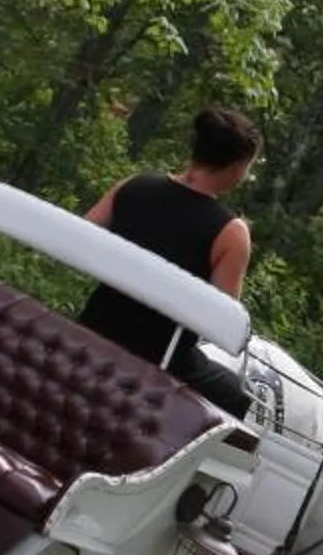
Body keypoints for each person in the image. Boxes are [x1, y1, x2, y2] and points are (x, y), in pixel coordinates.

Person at [77, 105, 260, 413]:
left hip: (95, 324)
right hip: (159, 355)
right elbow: (220, 320)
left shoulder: (134, 185)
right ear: (236, 166)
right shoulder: (230, 233)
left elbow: (78, 237)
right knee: (237, 398)